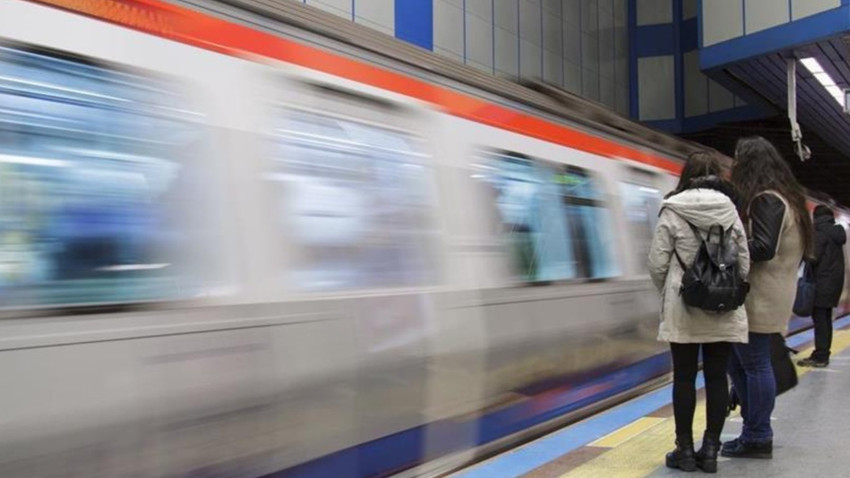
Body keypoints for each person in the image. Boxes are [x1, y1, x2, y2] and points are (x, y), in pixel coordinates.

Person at [648, 151, 750, 473]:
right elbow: (745, 264)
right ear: (717, 176)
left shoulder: (673, 209)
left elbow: (657, 263)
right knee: (717, 376)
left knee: (685, 378)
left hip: (683, 306)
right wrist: (725, 285)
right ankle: (710, 451)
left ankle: (686, 451)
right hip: (721, 307)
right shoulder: (730, 210)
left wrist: (672, 289)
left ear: (686, 175)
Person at [724, 137, 813, 459]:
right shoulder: (788, 199)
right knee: (740, 363)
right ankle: (753, 430)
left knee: (754, 364)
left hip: (761, 296)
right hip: (771, 293)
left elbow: (762, 248)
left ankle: (758, 435)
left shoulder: (767, 200)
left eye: (737, 161)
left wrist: (725, 249)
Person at [798, 205, 846, 367]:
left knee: (820, 320)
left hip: (821, 283)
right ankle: (823, 353)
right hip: (832, 284)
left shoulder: (820, 232)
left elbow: (813, 257)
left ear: (815, 217)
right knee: (825, 320)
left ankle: (820, 356)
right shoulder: (836, 232)